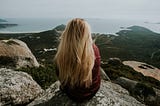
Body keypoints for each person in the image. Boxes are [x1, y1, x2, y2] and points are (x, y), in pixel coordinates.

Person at [54, 18, 101, 102]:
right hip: (90, 92)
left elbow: (60, 76)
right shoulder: (94, 50)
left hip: (71, 94)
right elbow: (96, 74)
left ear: (67, 33)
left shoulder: (61, 54)